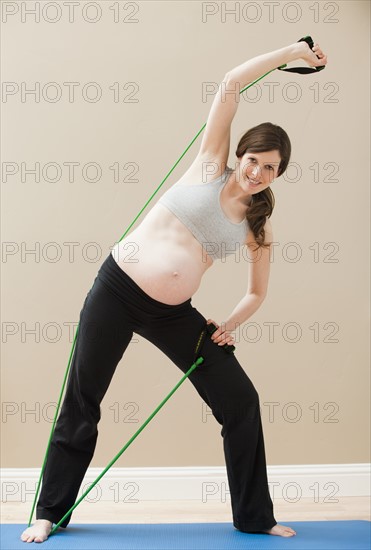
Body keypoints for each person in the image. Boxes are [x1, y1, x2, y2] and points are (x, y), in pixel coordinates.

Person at [21, 39, 327, 543]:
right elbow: (231, 82)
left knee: (241, 401)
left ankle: (255, 516)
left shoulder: (258, 226)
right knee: (83, 399)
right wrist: (292, 52)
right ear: (242, 153)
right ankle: (49, 513)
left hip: (172, 314)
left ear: (279, 173)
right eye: (254, 159)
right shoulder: (210, 163)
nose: (257, 172)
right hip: (116, 289)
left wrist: (228, 325)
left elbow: (257, 293)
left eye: (270, 168)